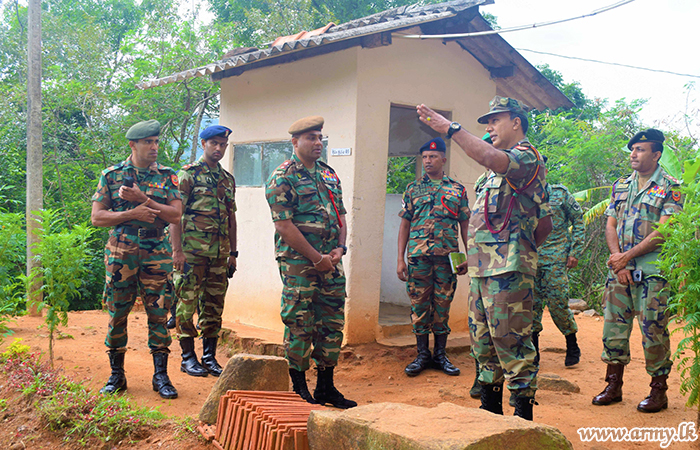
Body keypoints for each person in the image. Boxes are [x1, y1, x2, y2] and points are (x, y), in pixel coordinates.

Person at [417, 97, 552, 420]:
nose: (489, 127)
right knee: (483, 346)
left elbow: (544, 224)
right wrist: (474, 258)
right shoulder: (490, 176)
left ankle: (523, 422)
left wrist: (451, 129)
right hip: (482, 271)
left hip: (508, 271)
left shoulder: (525, 158)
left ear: (516, 122)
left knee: (513, 345)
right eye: (486, 123)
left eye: (495, 120)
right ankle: (489, 417)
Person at [265, 116, 356, 409]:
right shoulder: (283, 176)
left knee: (331, 322)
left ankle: (326, 387)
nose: (318, 143)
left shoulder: (329, 175)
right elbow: (284, 226)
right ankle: (298, 388)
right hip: (299, 264)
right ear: (295, 142)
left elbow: (340, 216)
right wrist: (316, 258)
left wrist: (339, 249)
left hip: (331, 262)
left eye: (320, 137)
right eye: (311, 138)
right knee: (300, 322)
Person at [91, 119, 182, 399]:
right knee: (118, 312)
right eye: (148, 142)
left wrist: (145, 200)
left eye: (156, 141)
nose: (154, 147)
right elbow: (97, 217)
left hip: (157, 250)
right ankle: (116, 375)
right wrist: (131, 214)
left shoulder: (168, 175)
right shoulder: (112, 175)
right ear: (133, 145)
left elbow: (176, 215)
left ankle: (161, 376)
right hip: (122, 251)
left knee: (158, 312)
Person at [592, 129, 682, 413]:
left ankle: (658, 391)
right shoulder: (620, 185)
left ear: (656, 155)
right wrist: (618, 260)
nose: (633, 154)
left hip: (652, 271)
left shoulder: (670, 186)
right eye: (632, 149)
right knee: (613, 329)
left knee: (653, 330)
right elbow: (610, 224)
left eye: (641, 149)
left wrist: (627, 258)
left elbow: (664, 230)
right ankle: (613, 386)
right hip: (620, 270)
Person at [397, 137, 470, 377]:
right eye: (425, 157)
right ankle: (422, 355)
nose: (428, 161)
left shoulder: (457, 190)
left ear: (443, 159)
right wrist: (400, 258)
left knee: (442, 305)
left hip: (447, 259)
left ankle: (440, 355)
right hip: (418, 258)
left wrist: (468, 255)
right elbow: (405, 225)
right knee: (419, 305)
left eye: (433, 157)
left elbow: (465, 224)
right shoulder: (413, 189)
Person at [170, 125, 238, 378]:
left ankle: (209, 357)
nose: (218, 148)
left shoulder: (227, 179)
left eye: (223, 144)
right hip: (192, 254)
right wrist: (177, 251)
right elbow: (175, 216)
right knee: (186, 305)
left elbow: (231, 218)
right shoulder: (188, 175)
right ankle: (188, 357)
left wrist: (234, 253)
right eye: (214, 144)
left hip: (220, 256)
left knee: (214, 306)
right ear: (203, 144)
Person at [533, 180, 584, 368]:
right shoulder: (523, 193)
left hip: (556, 257)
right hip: (529, 257)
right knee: (530, 305)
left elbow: (578, 219)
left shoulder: (560, 194)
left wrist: (574, 252)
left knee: (557, 303)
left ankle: (572, 344)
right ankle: (533, 352)